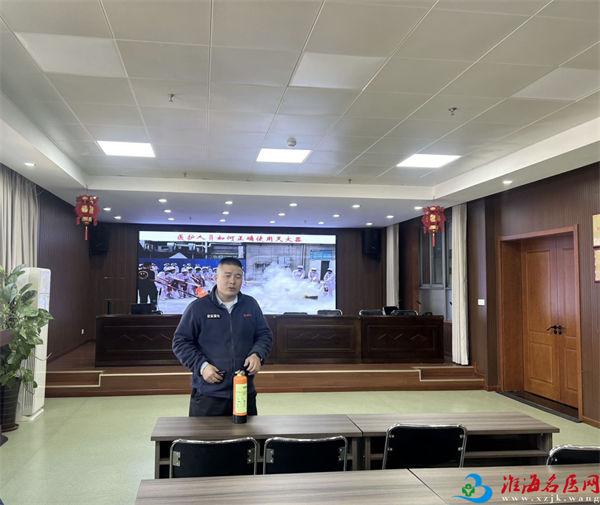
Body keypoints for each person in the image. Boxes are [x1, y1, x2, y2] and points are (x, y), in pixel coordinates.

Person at [172, 257, 272, 416]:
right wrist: (202, 366)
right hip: (209, 393)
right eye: (227, 275)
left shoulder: (250, 305)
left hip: (243, 390)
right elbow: (180, 342)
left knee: (247, 432)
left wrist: (257, 354)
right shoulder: (198, 307)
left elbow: (264, 335)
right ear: (215, 277)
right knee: (206, 433)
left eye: (238, 276)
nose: (232, 281)